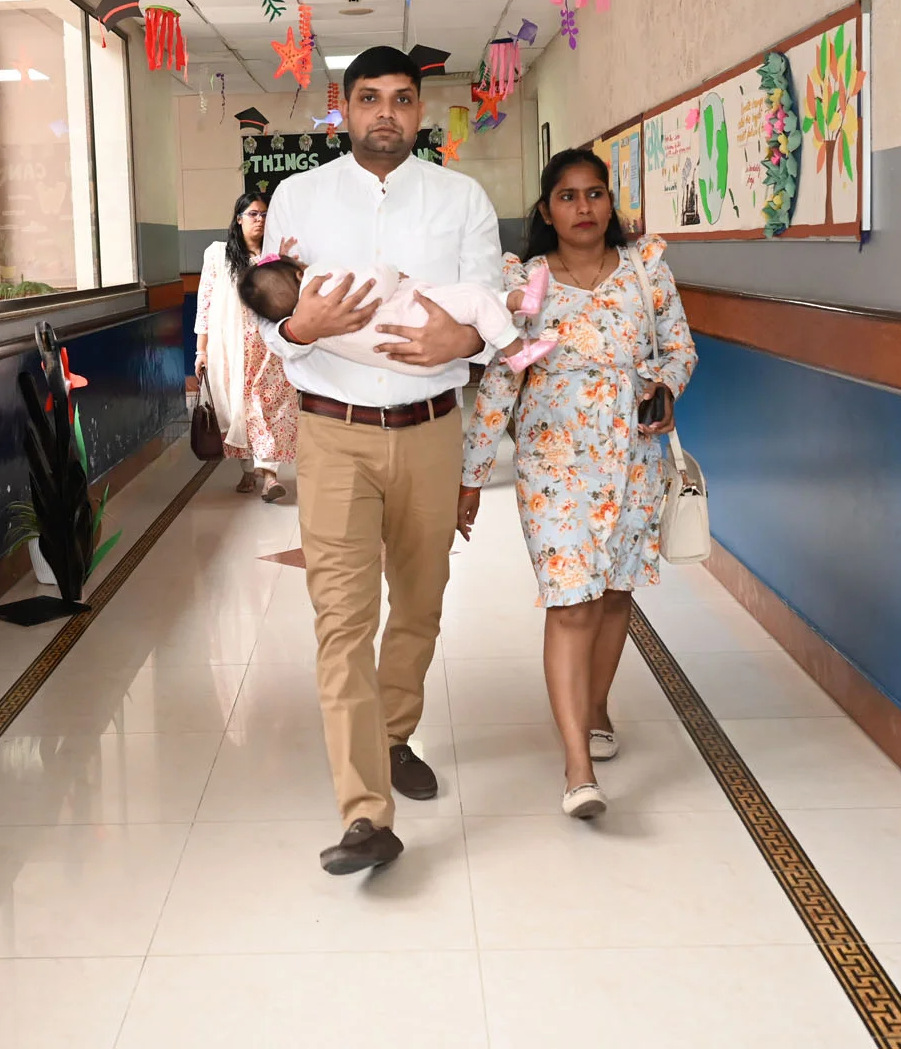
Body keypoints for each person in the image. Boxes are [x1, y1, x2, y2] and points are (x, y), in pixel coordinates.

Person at [260, 45, 503, 875]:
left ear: (420, 110)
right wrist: (302, 327)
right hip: (333, 433)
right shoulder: (298, 197)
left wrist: (459, 341)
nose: (387, 114)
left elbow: (491, 306)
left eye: (402, 99)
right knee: (342, 619)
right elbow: (271, 312)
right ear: (345, 106)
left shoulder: (461, 199)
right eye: (370, 98)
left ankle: (394, 733)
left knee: (420, 603)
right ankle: (364, 812)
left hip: (431, 428)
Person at [456, 148, 696, 821]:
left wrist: (665, 385)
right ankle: (577, 767)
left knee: (614, 595)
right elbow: (505, 373)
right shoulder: (526, 283)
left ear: (610, 202)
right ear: (546, 209)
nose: (584, 207)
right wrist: (472, 474)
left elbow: (679, 347)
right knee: (570, 603)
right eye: (568, 196)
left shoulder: (645, 269)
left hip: (633, 458)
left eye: (595, 194)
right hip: (553, 463)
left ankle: (595, 706)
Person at [237, 255, 556, 375]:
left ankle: (518, 300)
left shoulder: (313, 325)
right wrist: (389, 270)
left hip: (411, 346)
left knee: (471, 299)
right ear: (298, 274)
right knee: (473, 298)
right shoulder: (321, 287)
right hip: (411, 317)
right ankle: (517, 350)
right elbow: (374, 285)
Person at [195, 192, 298, 502]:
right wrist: (201, 351)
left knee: (270, 408)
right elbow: (205, 304)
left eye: (265, 215)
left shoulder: (275, 256)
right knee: (240, 408)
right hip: (233, 350)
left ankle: (269, 476)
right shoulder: (219, 255)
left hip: (270, 349)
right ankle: (248, 469)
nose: (260, 220)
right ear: (238, 218)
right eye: (253, 214)